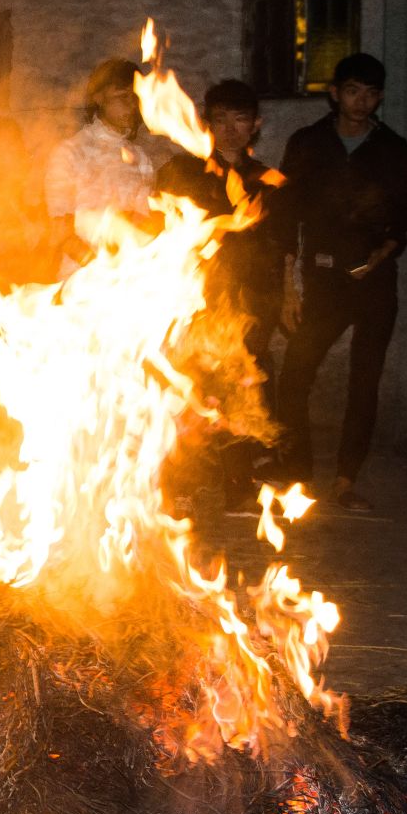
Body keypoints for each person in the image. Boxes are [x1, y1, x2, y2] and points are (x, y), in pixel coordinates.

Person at [271, 52, 407, 510]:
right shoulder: (309, 142)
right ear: (335, 93)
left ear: (381, 97)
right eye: (353, 90)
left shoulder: (392, 147)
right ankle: (298, 476)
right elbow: (285, 215)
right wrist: (288, 286)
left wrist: (384, 251)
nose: (362, 101)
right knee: (295, 376)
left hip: (374, 284)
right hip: (324, 280)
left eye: (371, 93)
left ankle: (346, 481)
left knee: (364, 381)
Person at [156, 79, 284, 503]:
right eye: (221, 119)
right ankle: (181, 486)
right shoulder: (182, 172)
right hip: (195, 300)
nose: (230, 129)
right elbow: (157, 233)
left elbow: (279, 246)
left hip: (250, 303)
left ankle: (237, 483)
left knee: (243, 388)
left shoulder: (268, 181)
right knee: (185, 392)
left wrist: (286, 295)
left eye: (240, 119)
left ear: (255, 125)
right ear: (207, 123)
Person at [44, 57, 167, 268]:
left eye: (135, 97)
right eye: (122, 97)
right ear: (99, 98)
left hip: (132, 277)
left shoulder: (141, 159)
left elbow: (147, 222)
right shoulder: (71, 152)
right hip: (80, 281)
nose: (131, 105)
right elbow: (60, 228)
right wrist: (99, 269)